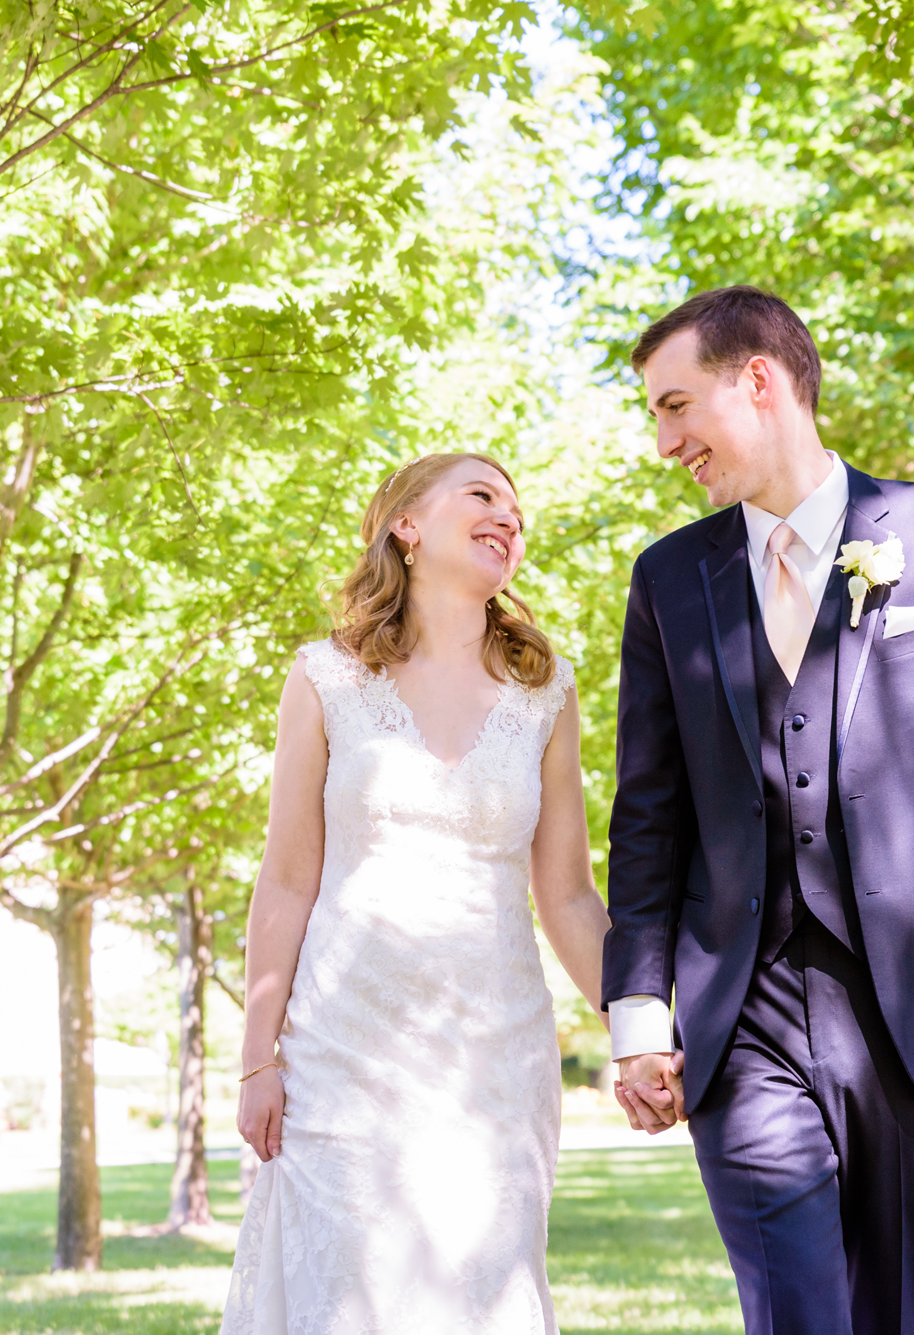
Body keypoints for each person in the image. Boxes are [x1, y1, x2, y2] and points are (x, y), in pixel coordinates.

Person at [603, 286, 914, 1335]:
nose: (665, 442)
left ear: (757, 381)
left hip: (909, 1003)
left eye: (675, 407)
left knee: (888, 1313)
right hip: (738, 1012)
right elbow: (648, 817)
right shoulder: (668, 579)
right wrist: (635, 1018)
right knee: (796, 1311)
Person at [221, 453, 609, 1334]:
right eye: (482, 496)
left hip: (494, 1059)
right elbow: (286, 879)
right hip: (342, 1055)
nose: (509, 518)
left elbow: (572, 898)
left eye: (517, 510)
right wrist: (257, 1056)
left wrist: (641, 1031)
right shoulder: (325, 676)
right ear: (407, 523)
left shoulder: (545, 691)